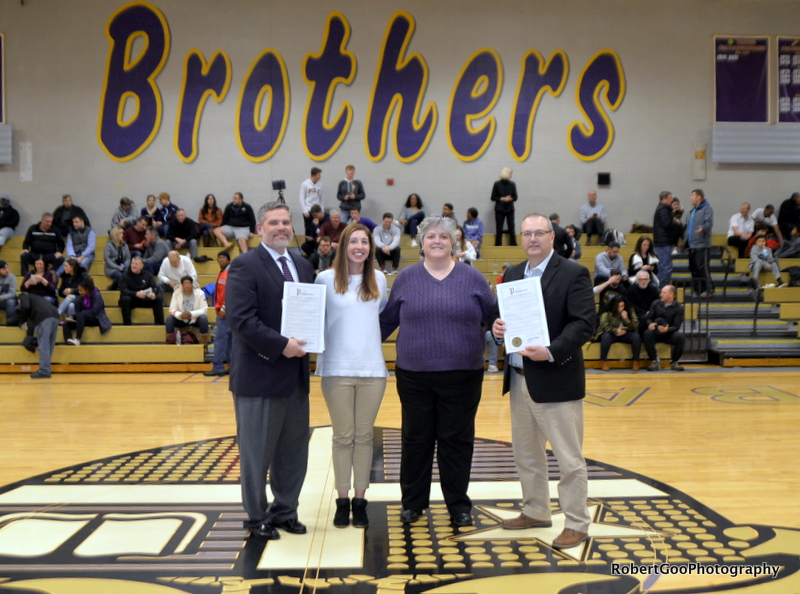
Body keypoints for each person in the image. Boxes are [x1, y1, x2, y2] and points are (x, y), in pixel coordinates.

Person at [380, 215, 495, 528]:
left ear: (454, 241)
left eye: (443, 236)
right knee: (416, 440)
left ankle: (458, 506)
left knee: (456, 441)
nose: (437, 241)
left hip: (464, 375)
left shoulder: (472, 279)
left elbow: (495, 316)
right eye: (430, 236)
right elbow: (387, 321)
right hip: (414, 376)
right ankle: (412, 505)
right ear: (421, 242)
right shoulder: (406, 278)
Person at [491, 213, 595, 549]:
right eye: (527, 234)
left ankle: (577, 522)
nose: (533, 239)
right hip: (520, 379)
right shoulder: (513, 274)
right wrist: (497, 331)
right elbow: (505, 322)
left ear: (552, 237)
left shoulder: (573, 272)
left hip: (557, 379)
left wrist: (551, 351)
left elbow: (583, 325)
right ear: (521, 239)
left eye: (539, 233)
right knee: (526, 454)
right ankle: (536, 510)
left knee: (568, 458)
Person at [226, 201, 315, 541]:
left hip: (295, 376)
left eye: (286, 222)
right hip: (260, 376)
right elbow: (241, 320)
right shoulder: (244, 265)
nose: (281, 227)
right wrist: (281, 346)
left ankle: (285, 510)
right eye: (274, 222)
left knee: (293, 451)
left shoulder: (303, 266)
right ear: (259, 229)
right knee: (256, 453)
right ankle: (255, 516)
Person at [316, 224, 388, 529]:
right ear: (343, 245)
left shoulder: (380, 280)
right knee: (342, 437)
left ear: (370, 247)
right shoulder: (324, 279)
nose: (359, 246)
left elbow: (379, 314)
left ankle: (360, 499)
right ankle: (342, 499)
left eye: (364, 242)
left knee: (364, 437)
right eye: (354, 241)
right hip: (335, 370)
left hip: (373, 370)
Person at [16, 293, 60, 379]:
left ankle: (44, 371)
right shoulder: (37, 298)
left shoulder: (23, 295)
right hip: (55, 316)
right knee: (49, 346)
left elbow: (26, 306)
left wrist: (22, 321)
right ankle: (46, 369)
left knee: (43, 346)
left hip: (43, 318)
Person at [643, 285, 685, 371]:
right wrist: (650, 324)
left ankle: (674, 362)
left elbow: (676, 326)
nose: (661, 294)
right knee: (647, 333)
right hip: (656, 330)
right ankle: (654, 361)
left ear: (671, 294)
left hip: (669, 333)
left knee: (680, 337)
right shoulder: (655, 303)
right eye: (661, 292)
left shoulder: (679, 307)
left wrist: (667, 329)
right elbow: (649, 318)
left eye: (663, 293)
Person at [203, 251, 232, 377]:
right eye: (219, 257)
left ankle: (218, 366)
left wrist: (224, 307)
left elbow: (232, 291)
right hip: (223, 309)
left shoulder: (230, 272)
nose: (221, 260)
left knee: (220, 339)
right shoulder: (222, 272)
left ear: (228, 259)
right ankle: (233, 366)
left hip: (225, 310)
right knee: (229, 340)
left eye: (223, 257)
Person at [595, 295, 641, 372]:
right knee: (606, 336)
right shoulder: (607, 312)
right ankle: (603, 361)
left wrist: (626, 319)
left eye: (622, 306)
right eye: (618, 306)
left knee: (636, 336)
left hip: (625, 333)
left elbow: (635, 326)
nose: (620, 309)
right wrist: (615, 330)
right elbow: (603, 326)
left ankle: (636, 361)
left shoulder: (630, 310)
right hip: (612, 333)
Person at [62, 276, 112, 346]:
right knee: (66, 324)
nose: (79, 292)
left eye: (81, 290)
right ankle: (68, 340)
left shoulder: (97, 295)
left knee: (81, 314)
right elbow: (78, 309)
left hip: (97, 318)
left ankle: (78, 339)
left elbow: (94, 311)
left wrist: (79, 315)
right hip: (83, 318)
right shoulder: (82, 297)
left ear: (87, 290)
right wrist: (73, 317)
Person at [117, 256, 164, 326]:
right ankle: (127, 324)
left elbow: (155, 287)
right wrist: (136, 294)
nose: (133, 265)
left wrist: (154, 293)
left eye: (136, 264)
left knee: (158, 298)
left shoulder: (148, 275)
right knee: (125, 299)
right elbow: (123, 290)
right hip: (131, 299)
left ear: (142, 266)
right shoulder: (124, 276)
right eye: (132, 263)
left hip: (144, 298)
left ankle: (160, 324)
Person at [685, 189, 714, 298]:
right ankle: (697, 290)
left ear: (699, 197)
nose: (690, 198)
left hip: (702, 244)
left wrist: (703, 228)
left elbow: (709, 223)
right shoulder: (692, 211)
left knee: (702, 268)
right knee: (694, 268)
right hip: (692, 245)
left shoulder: (707, 209)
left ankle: (709, 289)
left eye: (692, 195)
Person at [166, 275, 210, 344]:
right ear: (182, 285)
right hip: (181, 318)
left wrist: (191, 314)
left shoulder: (200, 293)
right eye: (185, 283)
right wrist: (180, 315)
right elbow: (172, 309)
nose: (187, 285)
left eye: (189, 283)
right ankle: (170, 343)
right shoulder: (176, 293)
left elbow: (204, 309)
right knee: (169, 319)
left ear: (192, 284)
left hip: (194, 318)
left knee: (203, 318)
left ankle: (204, 345)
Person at [653, 191, 682, 287]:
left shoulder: (662, 208)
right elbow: (667, 224)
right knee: (666, 267)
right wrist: (676, 222)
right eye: (670, 198)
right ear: (664, 198)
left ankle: (662, 288)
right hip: (664, 242)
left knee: (662, 267)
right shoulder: (663, 209)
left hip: (661, 241)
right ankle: (664, 289)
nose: (672, 200)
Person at [491, 166, 518, 246]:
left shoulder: (513, 184)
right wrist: (502, 199)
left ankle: (513, 243)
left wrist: (510, 199)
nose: (511, 175)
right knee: (499, 227)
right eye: (510, 173)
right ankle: (498, 244)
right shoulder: (497, 184)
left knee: (511, 226)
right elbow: (493, 197)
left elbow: (515, 197)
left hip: (510, 208)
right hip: (500, 209)